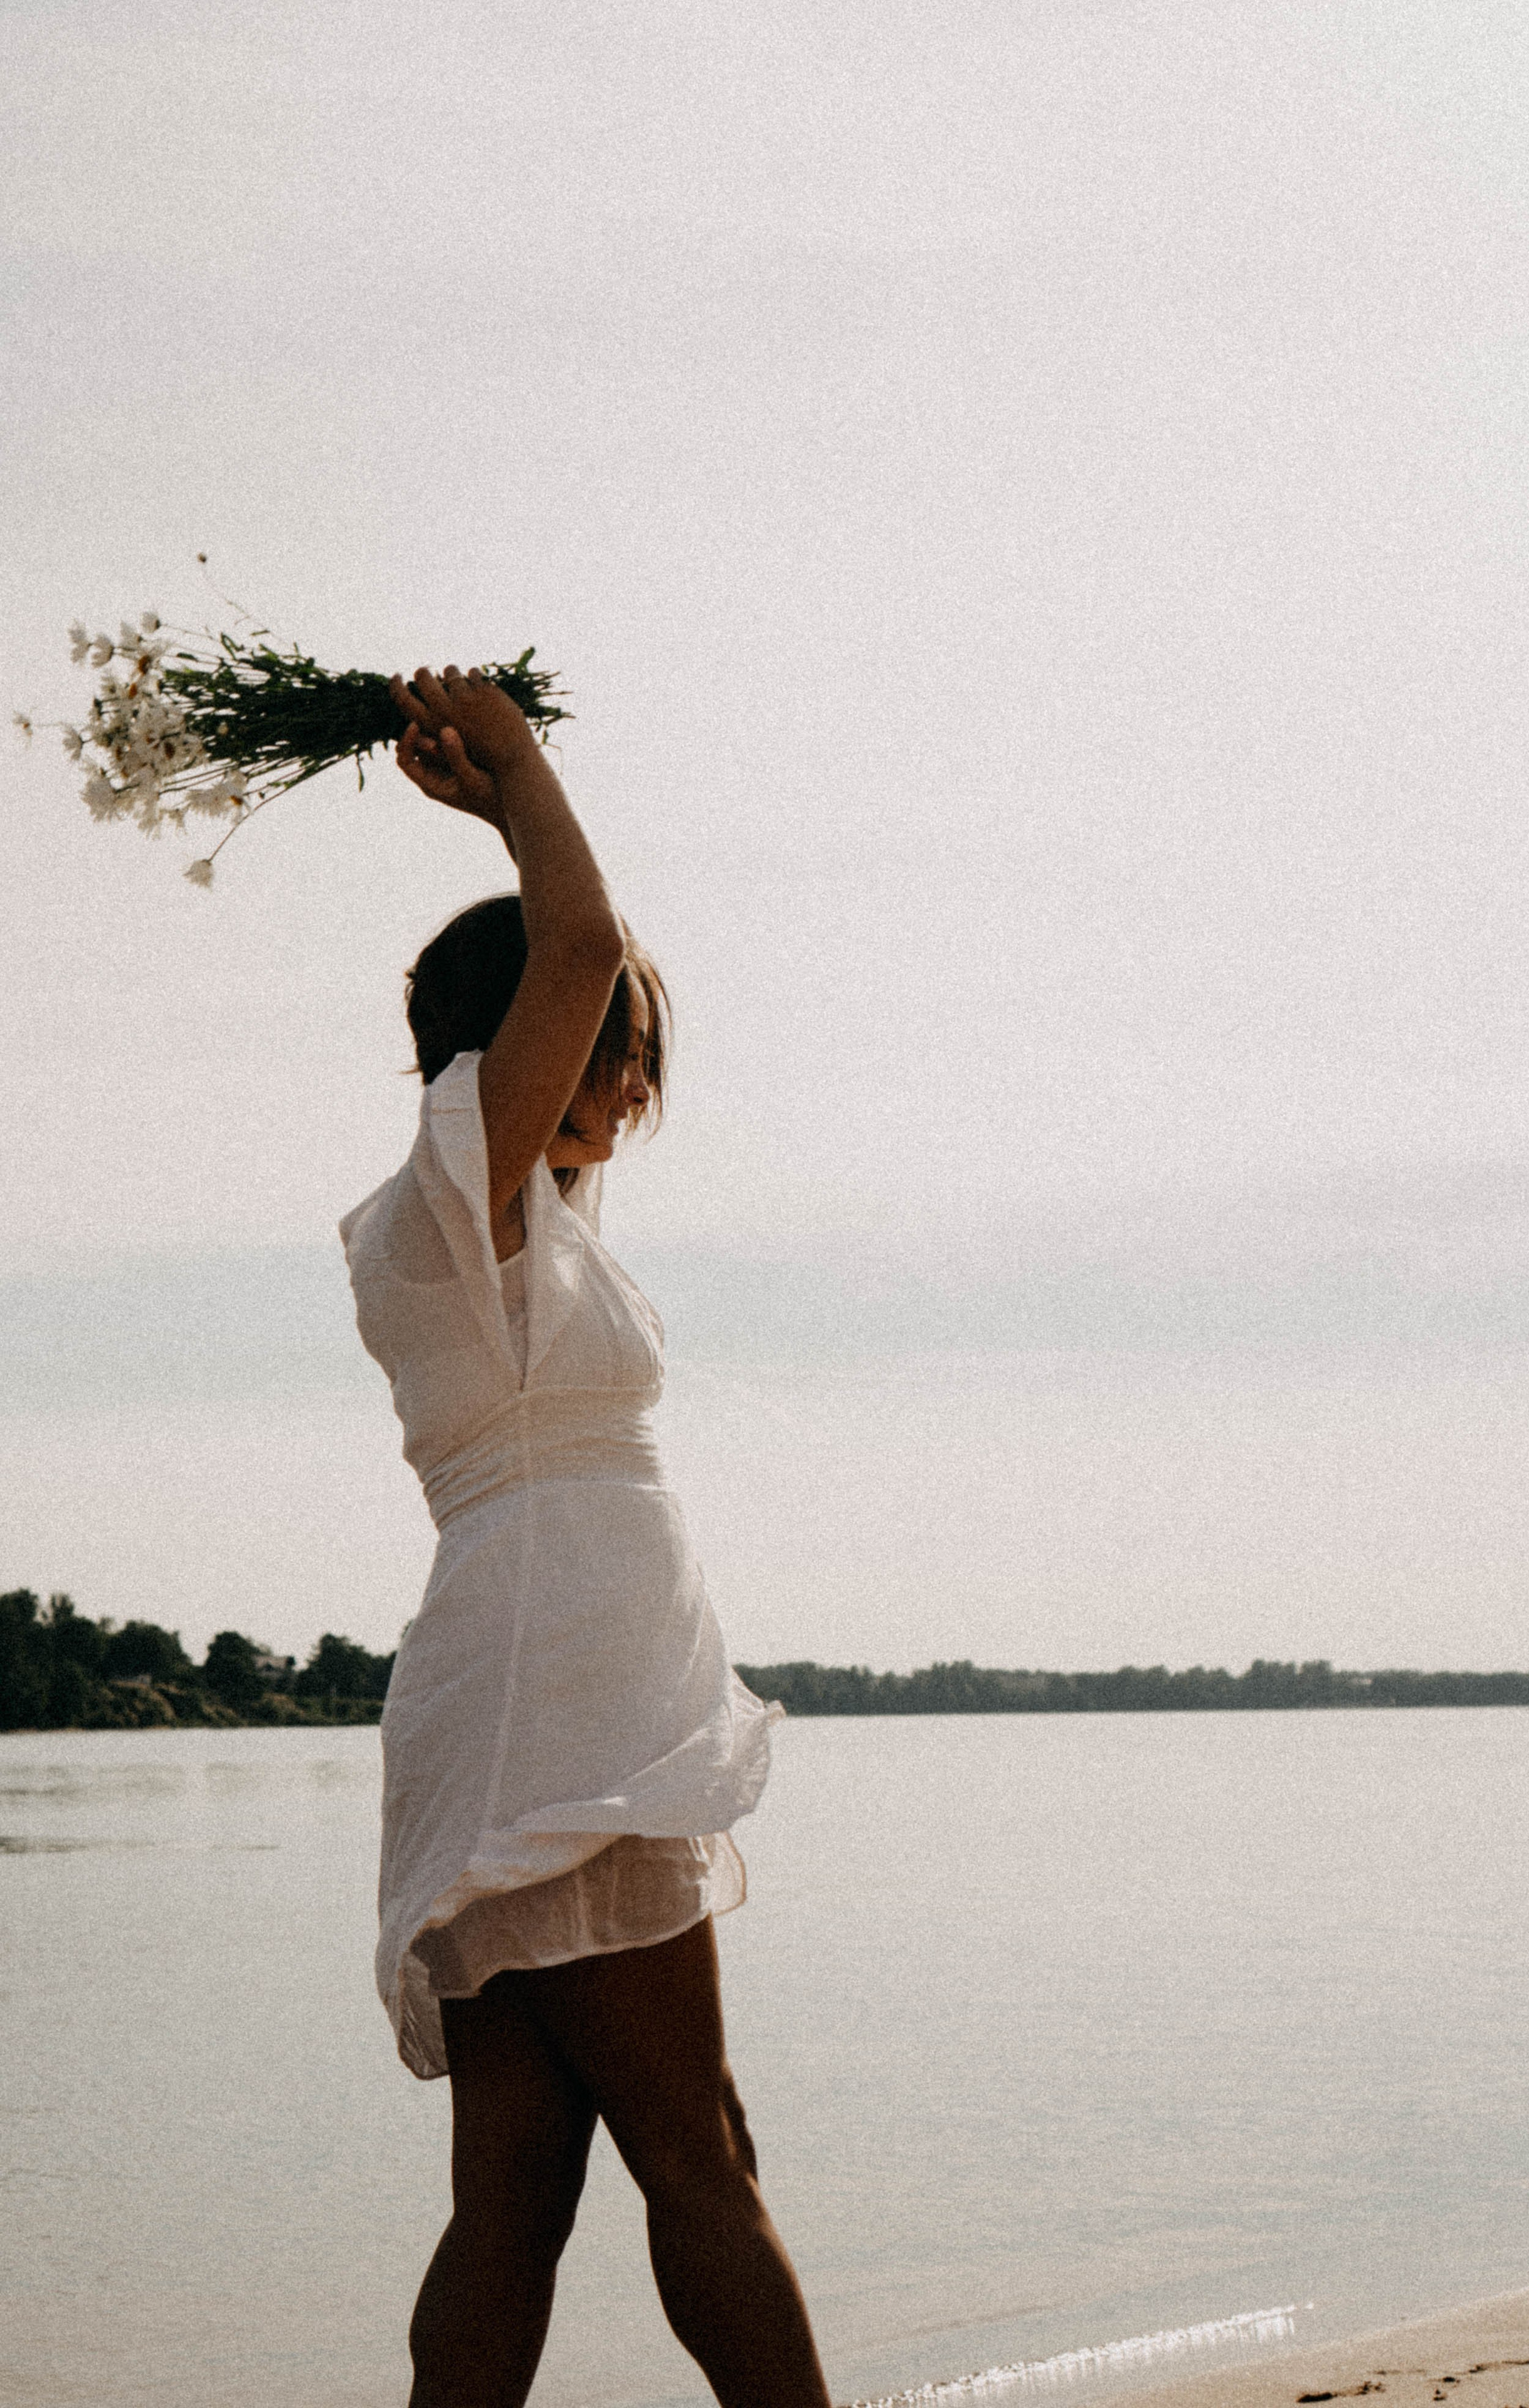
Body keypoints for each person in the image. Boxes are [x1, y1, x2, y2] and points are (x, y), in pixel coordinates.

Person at [338, 667, 833, 2408]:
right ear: (522, 1046)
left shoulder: (520, 1222)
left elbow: (576, 954)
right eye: (617, 1052)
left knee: (520, 2200)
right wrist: (521, 768)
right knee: (700, 2151)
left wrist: (500, 811)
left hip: (535, 1692)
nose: (630, 1082)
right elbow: (582, 944)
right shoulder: (445, 1200)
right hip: (561, 1706)